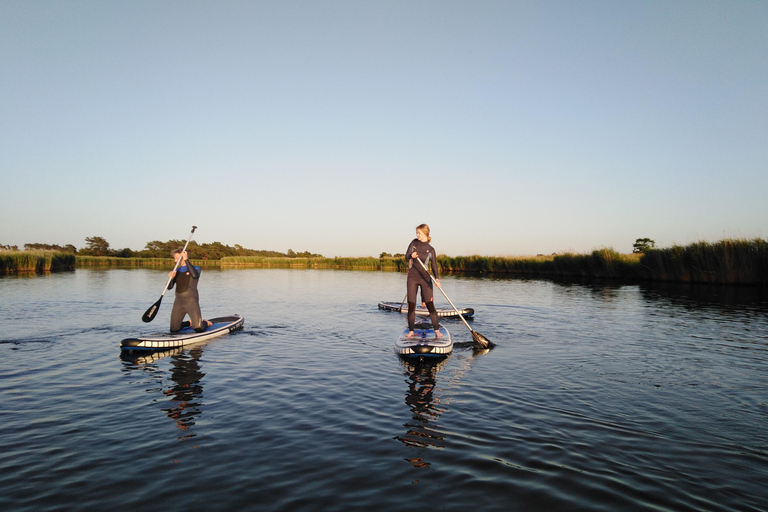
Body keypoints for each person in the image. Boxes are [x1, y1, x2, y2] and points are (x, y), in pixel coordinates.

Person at [405, 224, 442, 338]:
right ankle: (411, 331)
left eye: (419, 233)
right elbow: (406, 256)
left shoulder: (431, 249)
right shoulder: (414, 243)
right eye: (416, 233)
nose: (417, 235)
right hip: (412, 277)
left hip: (426, 278)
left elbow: (434, 265)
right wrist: (411, 255)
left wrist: (437, 279)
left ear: (426, 233)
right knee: (411, 305)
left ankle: (437, 331)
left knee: (430, 305)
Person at [168, 248, 212, 333]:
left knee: (198, 328)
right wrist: (170, 278)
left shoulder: (196, 269)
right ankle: (189, 323)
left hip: (191, 301)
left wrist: (186, 259)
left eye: (177, 258)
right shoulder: (176, 271)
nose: (175, 261)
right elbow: (169, 287)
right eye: (175, 258)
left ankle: (206, 323)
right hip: (178, 302)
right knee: (174, 329)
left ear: (183, 257)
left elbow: (195, 275)